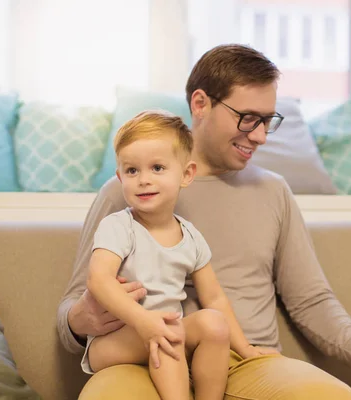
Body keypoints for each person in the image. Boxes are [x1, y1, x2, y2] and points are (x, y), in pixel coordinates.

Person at [58, 44, 351, 399]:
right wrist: (82, 320)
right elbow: (73, 311)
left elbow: (310, 300)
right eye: (248, 118)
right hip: (138, 356)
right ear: (200, 104)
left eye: (268, 120)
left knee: (330, 395)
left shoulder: (273, 192)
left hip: (244, 361)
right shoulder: (126, 191)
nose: (260, 136)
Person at [80, 110, 275, 400]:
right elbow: (99, 280)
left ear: (186, 174)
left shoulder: (191, 236)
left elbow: (215, 298)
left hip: (165, 330)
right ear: (120, 176)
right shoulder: (119, 226)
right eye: (132, 171)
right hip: (115, 341)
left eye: (157, 168)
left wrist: (245, 348)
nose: (144, 180)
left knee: (212, 323)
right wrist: (143, 321)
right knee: (167, 332)